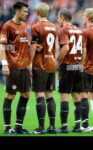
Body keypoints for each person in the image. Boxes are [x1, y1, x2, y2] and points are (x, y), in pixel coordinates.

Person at [0, 2, 30, 134]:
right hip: (13, 67)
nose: (27, 14)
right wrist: (4, 64)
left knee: (26, 94)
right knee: (10, 95)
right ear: (17, 11)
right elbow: (2, 46)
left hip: (24, 67)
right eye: (24, 11)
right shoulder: (7, 26)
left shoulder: (24, 25)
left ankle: (18, 126)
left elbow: (22, 44)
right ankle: (7, 128)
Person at [30, 3, 57, 134]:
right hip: (51, 63)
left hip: (40, 64)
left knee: (39, 94)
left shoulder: (35, 26)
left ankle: (41, 127)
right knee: (49, 95)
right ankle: (52, 127)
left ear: (37, 13)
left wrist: (29, 63)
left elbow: (34, 46)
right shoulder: (54, 27)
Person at [57, 8, 84, 133]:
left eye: (58, 17)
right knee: (76, 96)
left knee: (64, 96)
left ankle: (64, 127)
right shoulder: (78, 30)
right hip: (77, 66)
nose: (57, 20)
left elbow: (66, 48)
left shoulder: (63, 30)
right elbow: (83, 50)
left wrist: (57, 60)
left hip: (67, 66)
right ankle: (77, 126)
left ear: (63, 17)